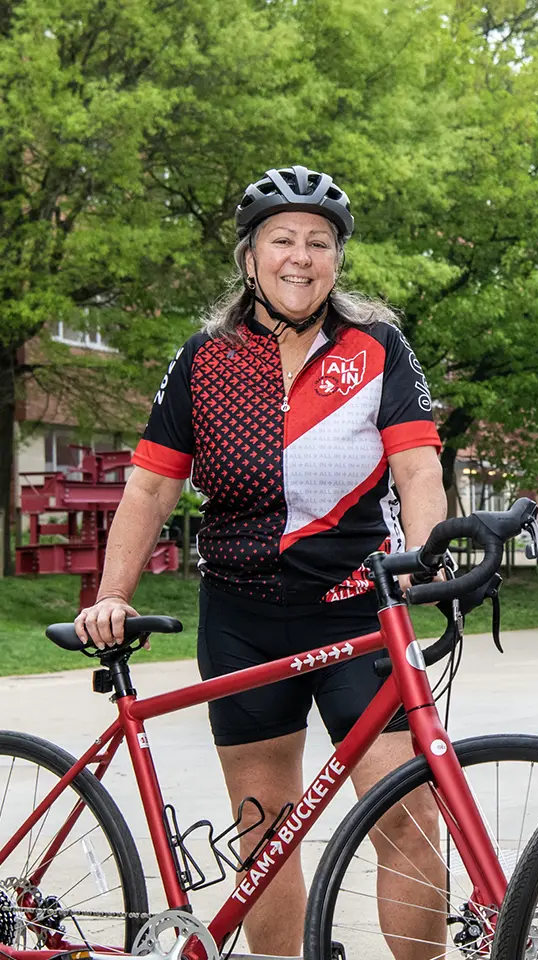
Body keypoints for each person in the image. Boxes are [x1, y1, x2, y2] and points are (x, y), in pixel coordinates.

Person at [75, 165, 448, 958]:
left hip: (359, 605)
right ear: (250, 257)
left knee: (409, 820)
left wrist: (421, 557)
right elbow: (148, 488)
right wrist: (111, 594)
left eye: (320, 242)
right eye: (283, 240)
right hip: (244, 618)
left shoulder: (377, 348)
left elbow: (418, 470)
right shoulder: (205, 359)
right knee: (267, 840)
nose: (301, 257)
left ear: (338, 260)